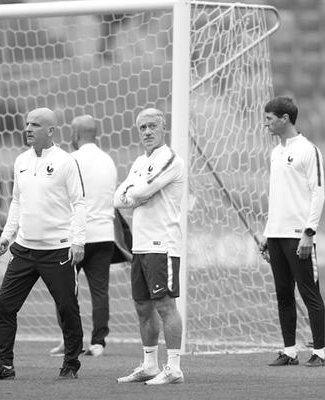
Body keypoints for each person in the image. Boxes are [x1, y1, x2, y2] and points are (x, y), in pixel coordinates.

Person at [0, 107, 86, 381]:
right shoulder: (21, 161)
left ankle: (70, 364)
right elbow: (17, 201)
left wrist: (78, 241)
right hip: (24, 249)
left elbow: (79, 203)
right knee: (4, 303)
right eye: (27, 124)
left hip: (57, 250)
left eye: (35, 125)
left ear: (50, 131)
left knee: (67, 308)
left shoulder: (66, 161)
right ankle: (4, 364)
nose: (28, 129)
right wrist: (6, 236)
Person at [114, 108, 186, 385]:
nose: (147, 132)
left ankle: (174, 368)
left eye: (152, 126)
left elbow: (140, 191)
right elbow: (117, 199)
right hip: (141, 246)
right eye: (142, 127)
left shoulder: (170, 159)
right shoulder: (139, 162)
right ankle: (149, 365)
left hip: (162, 244)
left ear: (163, 127)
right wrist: (134, 195)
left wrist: (134, 193)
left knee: (165, 305)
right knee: (143, 307)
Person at [258, 96, 325, 367]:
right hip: (276, 235)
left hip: (299, 236)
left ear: (285, 118)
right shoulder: (275, 152)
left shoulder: (309, 150)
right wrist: (268, 233)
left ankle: (319, 353)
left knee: (310, 294)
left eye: (269, 119)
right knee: (283, 293)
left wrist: (309, 232)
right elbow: (277, 197)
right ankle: (289, 351)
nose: (266, 124)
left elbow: (318, 192)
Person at [48, 115, 117, 358]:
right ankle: (98, 342)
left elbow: (60, 197)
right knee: (100, 291)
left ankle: (69, 341)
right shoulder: (108, 161)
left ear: (75, 134)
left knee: (64, 291)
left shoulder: (71, 159)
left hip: (75, 236)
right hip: (104, 235)